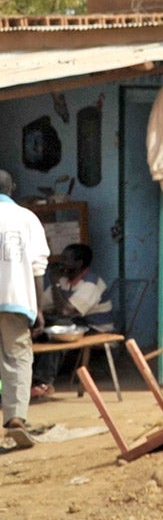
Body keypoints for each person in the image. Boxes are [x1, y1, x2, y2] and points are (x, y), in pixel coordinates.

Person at [0, 171, 49, 434]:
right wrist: (38, 308)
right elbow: (38, 267)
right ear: (14, 188)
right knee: (17, 357)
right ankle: (15, 416)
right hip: (15, 300)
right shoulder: (27, 218)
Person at [32, 244, 115, 398]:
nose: (60, 263)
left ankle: (43, 382)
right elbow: (42, 304)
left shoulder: (91, 283)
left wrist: (55, 284)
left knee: (61, 330)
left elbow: (65, 311)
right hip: (74, 324)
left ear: (79, 263)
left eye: (65, 259)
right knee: (38, 326)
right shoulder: (65, 281)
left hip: (95, 328)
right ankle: (30, 379)